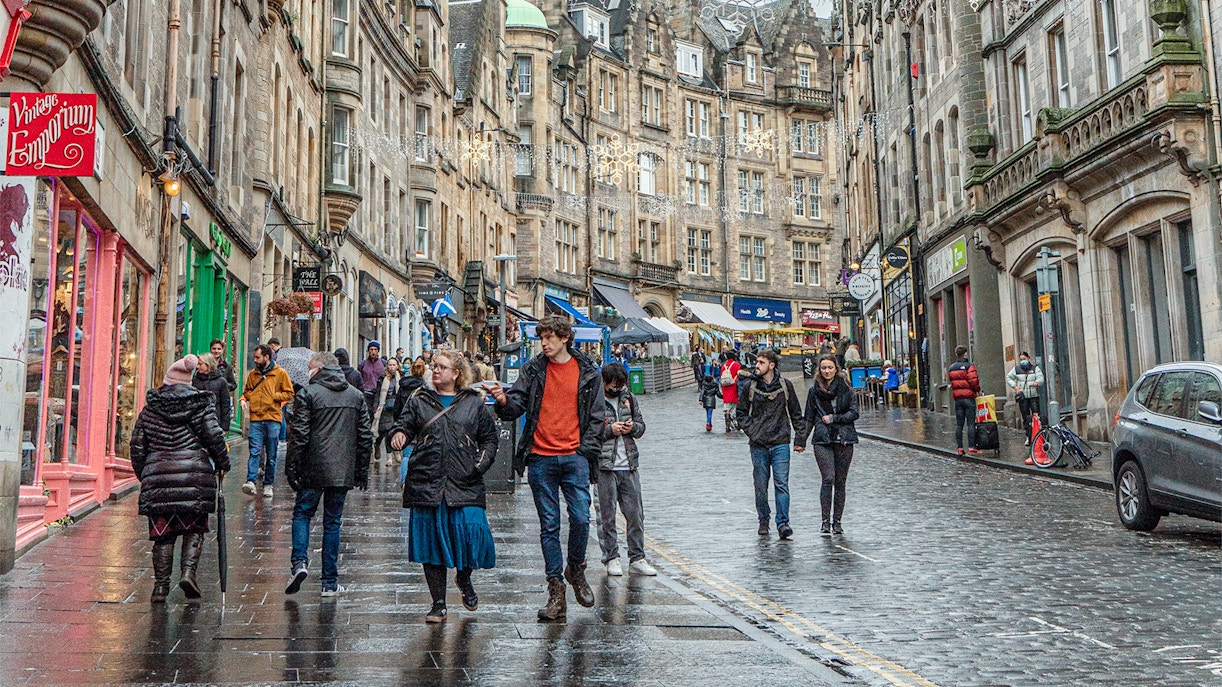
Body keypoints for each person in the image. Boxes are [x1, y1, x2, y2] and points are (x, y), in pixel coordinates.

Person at [487, 316, 605, 621]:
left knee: (581, 517)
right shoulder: (534, 368)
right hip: (540, 457)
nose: (545, 343)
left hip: (575, 457)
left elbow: (596, 417)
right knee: (549, 525)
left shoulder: (588, 372)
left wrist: (585, 451)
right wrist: (502, 400)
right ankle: (556, 591)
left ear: (565, 338)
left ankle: (575, 568)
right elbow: (516, 405)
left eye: (550, 338)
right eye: (542, 338)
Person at [390, 349, 499, 622]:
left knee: (470, 534)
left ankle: (464, 577)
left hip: (465, 480)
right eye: (434, 366)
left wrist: (479, 465)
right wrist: (399, 434)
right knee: (432, 543)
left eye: (442, 366)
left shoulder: (473, 402)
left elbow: (489, 438)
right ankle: (438, 603)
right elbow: (402, 425)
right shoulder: (419, 399)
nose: (435, 370)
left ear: (456, 373)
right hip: (427, 480)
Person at [130, 354, 230, 602]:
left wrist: (146, 473)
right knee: (193, 528)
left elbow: (137, 447)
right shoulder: (200, 405)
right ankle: (187, 573)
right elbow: (214, 437)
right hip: (193, 476)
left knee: (163, 533)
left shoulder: (150, 409)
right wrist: (222, 464)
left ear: (165, 383)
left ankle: (161, 587)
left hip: (158, 476)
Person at [285, 352, 373, 598]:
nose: (307, 372)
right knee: (332, 523)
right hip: (341, 469)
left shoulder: (307, 394)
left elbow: (299, 436)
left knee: (302, 514)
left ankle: (299, 562)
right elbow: (365, 436)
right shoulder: (355, 396)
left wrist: (292, 468)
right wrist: (361, 471)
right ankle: (329, 583)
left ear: (321, 368)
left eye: (310, 368)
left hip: (313, 467)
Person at [595, 364, 656, 577]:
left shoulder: (628, 398)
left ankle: (637, 557)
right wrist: (609, 430)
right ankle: (611, 557)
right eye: (613, 386)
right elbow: (587, 430)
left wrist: (633, 428)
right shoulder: (595, 399)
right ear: (604, 382)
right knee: (607, 516)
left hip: (629, 464)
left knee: (635, 514)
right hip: (605, 466)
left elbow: (641, 425)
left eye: (620, 386)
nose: (617, 389)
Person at [736, 349, 803, 539]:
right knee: (760, 486)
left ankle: (783, 523)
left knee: (782, 484)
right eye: (757, 362)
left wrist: (799, 439)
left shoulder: (785, 385)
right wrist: (753, 431)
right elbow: (740, 414)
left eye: (761, 362)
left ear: (771, 365)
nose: (756, 365)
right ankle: (763, 521)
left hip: (780, 442)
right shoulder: (749, 386)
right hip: (758, 445)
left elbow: (796, 414)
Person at [796, 355, 859, 536]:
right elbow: (808, 417)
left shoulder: (846, 388)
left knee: (840, 481)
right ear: (819, 370)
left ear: (836, 368)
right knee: (828, 478)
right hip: (822, 439)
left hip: (844, 438)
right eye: (824, 368)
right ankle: (825, 521)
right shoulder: (814, 391)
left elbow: (854, 412)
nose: (827, 371)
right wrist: (801, 440)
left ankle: (837, 521)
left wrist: (835, 418)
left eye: (830, 367)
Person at [239, 344, 295, 497]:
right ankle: (250, 481)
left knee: (271, 454)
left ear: (267, 357)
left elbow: (289, 393)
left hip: (272, 418)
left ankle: (268, 484)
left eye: (258, 357)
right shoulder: (253, 374)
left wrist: (274, 397)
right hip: (256, 417)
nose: (255, 360)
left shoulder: (280, 373)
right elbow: (248, 391)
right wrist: (246, 398)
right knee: (255, 451)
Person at [371, 357, 406, 465]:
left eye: (394, 365)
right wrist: (376, 406)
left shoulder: (401, 378)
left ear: (397, 366)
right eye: (389, 365)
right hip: (385, 408)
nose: (391, 367)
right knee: (382, 432)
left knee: (391, 431)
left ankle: (390, 456)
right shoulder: (383, 378)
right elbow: (378, 393)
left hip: (397, 408)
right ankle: (377, 444)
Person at [949, 345, 982, 455]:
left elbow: (952, 382)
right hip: (968, 397)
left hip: (958, 398)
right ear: (965, 353)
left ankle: (960, 447)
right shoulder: (969, 366)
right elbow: (974, 381)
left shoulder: (952, 367)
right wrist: (977, 390)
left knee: (959, 424)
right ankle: (971, 447)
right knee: (971, 423)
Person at [1006, 351, 1044, 445]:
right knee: (1026, 417)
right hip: (1023, 397)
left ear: (1028, 358)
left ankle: (1039, 435)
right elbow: (1009, 378)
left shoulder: (1035, 368)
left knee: (1036, 416)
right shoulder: (1017, 369)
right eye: (1021, 359)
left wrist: (1037, 382)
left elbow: (1041, 378)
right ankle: (1028, 436)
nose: (1023, 361)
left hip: (1033, 396)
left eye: (1024, 359)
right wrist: (1015, 386)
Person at [193, 353, 233, 431]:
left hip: (215, 421)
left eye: (200, 364)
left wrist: (224, 427)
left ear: (208, 365)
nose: (198, 367)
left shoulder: (221, 381)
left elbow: (225, 405)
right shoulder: (195, 380)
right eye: (197, 364)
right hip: (197, 422)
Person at [358, 341, 387, 414]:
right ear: (368, 351)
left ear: (378, 351)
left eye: (375, 349)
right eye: (371, 349)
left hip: (379, 394)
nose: (373, 352)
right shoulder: (363, 364)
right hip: (366, 393)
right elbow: (359, 378)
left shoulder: (383, 363)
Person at [719, 349, 742, 433]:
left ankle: (727, 425)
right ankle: (736, 422)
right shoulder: (737, 365)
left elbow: (721, 375)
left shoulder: (724, 366)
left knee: (727, 406)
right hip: (734, 386)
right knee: (735, 405)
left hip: (726, 387)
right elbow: (739, 375)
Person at [699, 358, 722, 432]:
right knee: (710, 413)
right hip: (711, 400)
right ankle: (708, 424)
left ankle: (709, 423)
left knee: (708, 413)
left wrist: (700, 400)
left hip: (706, 399)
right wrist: (723, 397)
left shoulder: (704, 385)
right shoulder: (715, 385)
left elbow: (702, 392)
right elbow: (718, 394)